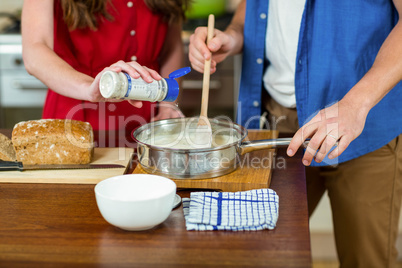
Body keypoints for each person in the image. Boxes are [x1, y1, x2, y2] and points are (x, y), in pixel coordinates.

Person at [189, 0, 402, 267]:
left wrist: (355, 104)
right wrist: (233, 35)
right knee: (262, 253)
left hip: (366, 126)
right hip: (279, 123)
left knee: (367, 260)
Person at [21, 0, 190, 146]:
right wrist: (88, 87)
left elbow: (171, 48)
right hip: (74, 116)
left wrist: (167, 106)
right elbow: (35, 49)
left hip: (147, 121)